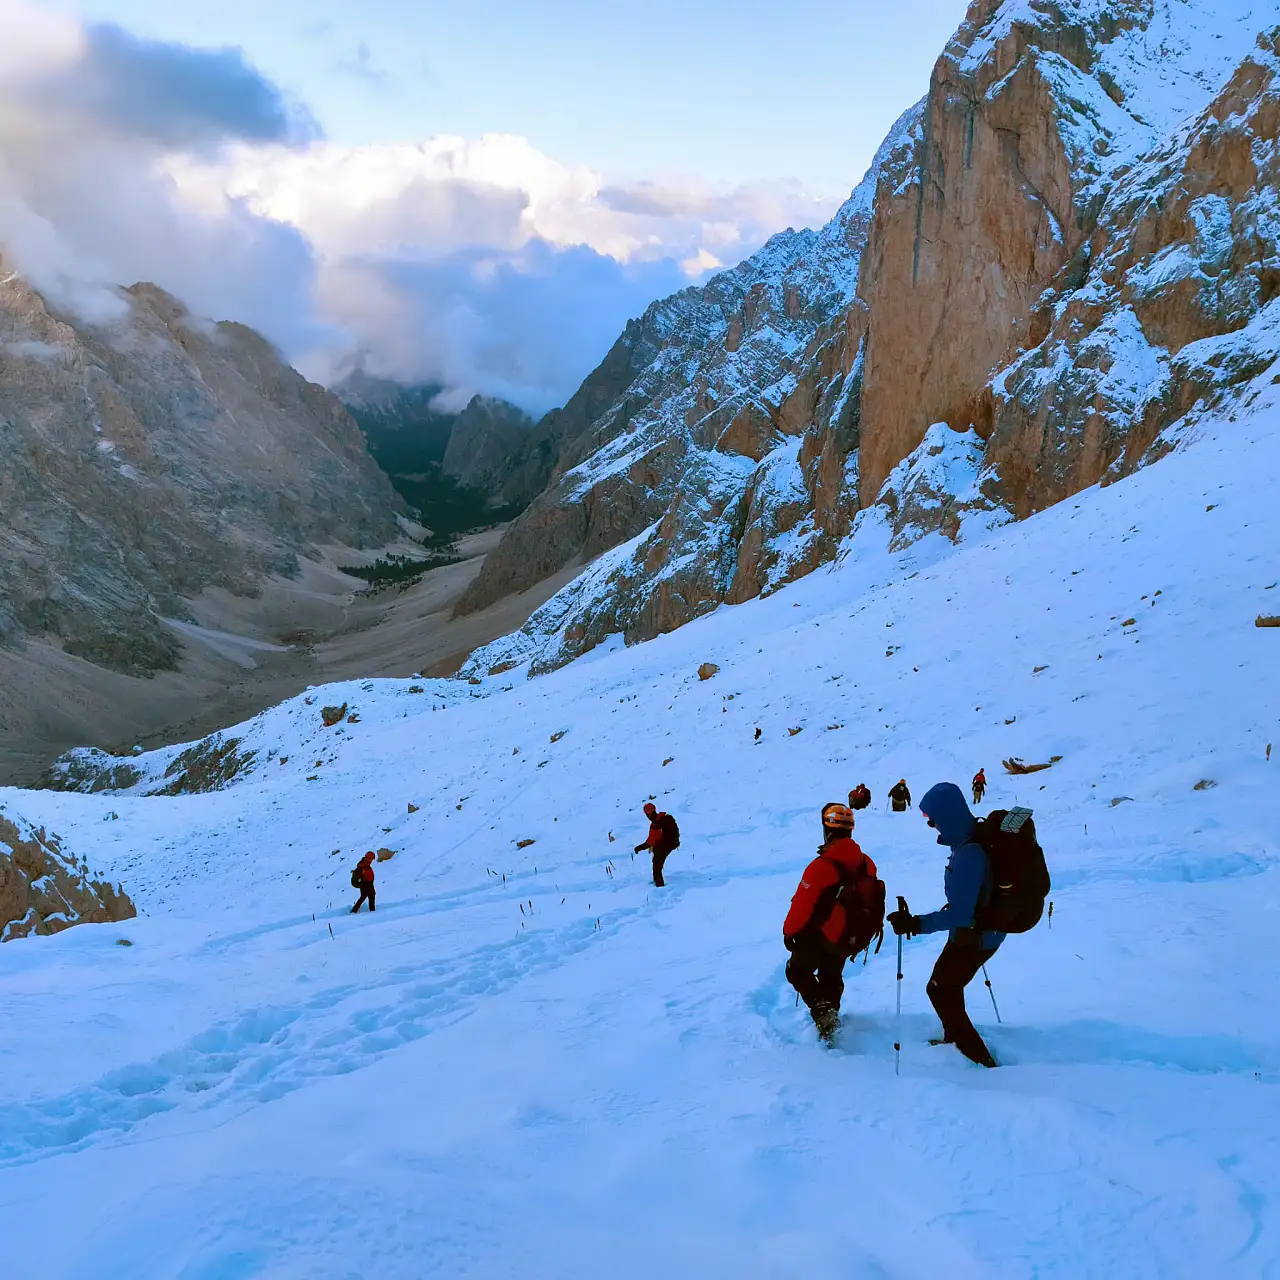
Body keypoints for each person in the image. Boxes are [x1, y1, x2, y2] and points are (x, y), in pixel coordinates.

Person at [887, 783, 1003, 1067]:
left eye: (932, 819)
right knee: (949, 984)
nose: (932, 826)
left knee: (940, 990)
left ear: (947, 815)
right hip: (976, 933)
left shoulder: (969, 854)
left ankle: (978, 1058)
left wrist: (916, 924)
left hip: (975, 936)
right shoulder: (966, 842)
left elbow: (961, 914)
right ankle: (954, 1038)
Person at [783, 802, 885, 1045]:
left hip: (822, 934)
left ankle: (823, 1011)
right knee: (831, 971)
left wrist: (789, 933)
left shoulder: (822, 866)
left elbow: (802, 906)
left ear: (826, 830)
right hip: (849, 934)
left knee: (797, 969)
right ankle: (832, 1015)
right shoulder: (866, 862)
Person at [634, 802, 680, 887]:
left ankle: (659, 888)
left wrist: (639, 848)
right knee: (657, 864)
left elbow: (650, 842)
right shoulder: (665, 817)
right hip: (672, 844)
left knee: (656, 867)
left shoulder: (655, 825)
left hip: (663, 847)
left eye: (647, 814)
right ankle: (658, 884)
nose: (647, 816)